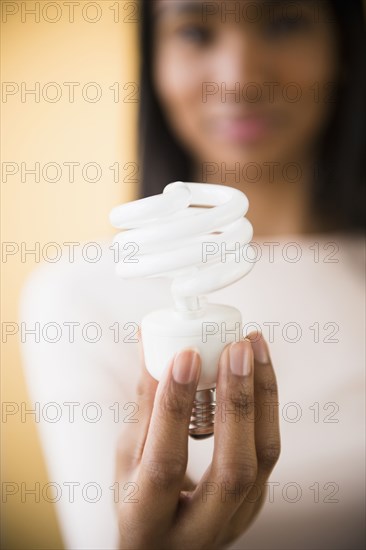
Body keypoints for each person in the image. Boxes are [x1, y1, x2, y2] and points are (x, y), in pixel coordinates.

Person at [20, 1, 365, 549]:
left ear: (343, 47)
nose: (239, 79)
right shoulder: (75, 295)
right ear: (154, 61)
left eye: (284, 22)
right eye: (196, 31)